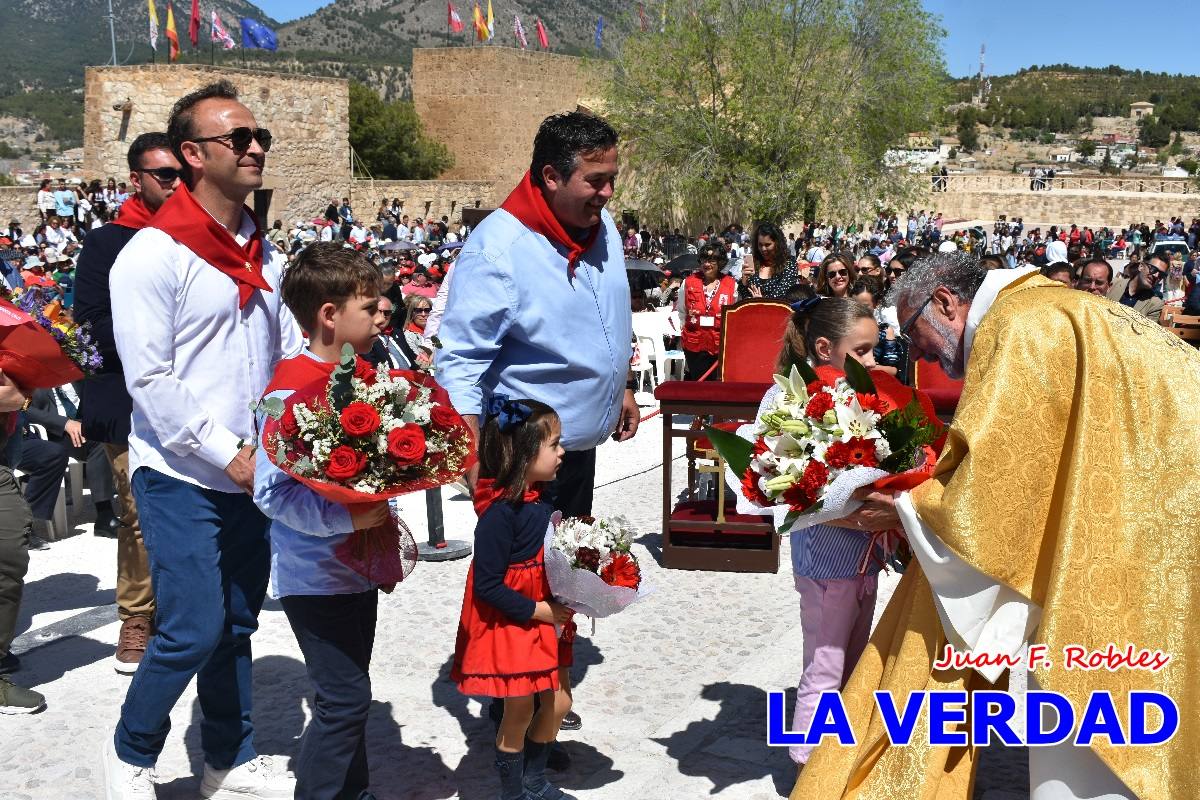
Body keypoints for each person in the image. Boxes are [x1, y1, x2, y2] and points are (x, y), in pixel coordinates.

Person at [793, 251, 1200, 800]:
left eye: (915, 334)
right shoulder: (1047, 309)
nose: (915, 351)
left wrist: (905, 510)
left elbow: (995, 487)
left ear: (945, 303)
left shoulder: (1019, 327)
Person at [103, 81, 301, 799]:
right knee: (191, 626)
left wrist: (286, 437)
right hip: (181, 470)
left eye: (259, 138)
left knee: (239, 621)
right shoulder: (153, 256)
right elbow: (150, 380)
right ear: (191, 155)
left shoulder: (266, 254)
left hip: (253, 468)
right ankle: (129, 754)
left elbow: (284, 358)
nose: (255, 149)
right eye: (237, 139)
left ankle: (229, 756)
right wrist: (228, 450)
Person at [254, 244, 391, 800]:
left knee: (351, 692)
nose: (382, 313)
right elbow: (270, 490)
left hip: (359, 569)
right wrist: (346, 517)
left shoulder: (365, 374)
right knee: (344, 700)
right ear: (329, 315)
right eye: (368, 305)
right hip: (314, 574)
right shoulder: (283, 391)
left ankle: (353, 791)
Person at [765, 296, 888, 775]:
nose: (872, 361)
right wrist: (855, 514)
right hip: (826, 559)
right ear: (823, 347)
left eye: (874, 350)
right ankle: (806, 767)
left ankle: (838, 761)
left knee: (854, 663)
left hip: (863, 558)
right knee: (824, 665)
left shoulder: (860, 396)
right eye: (861, 352)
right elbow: (789, 489)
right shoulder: (789, 401)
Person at [75, 132, 180, 675]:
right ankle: (137, 615)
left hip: (194, 394)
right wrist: (163, 346)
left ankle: (187, 608)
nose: (175, 182)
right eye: (163, 174)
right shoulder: (107, 242)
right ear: (136, 179)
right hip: (129, 396)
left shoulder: (199, 238)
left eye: (181, 172)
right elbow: (92, 322)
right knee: (137, 509)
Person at [451, 398, 576, 800]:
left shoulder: (540, 500)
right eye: (554, 444)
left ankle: (535, 778)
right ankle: (517, 791)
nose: (562, 452)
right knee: (518, 712)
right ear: (523, 454)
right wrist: (541, 610)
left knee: (557, 703)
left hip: (540, 617)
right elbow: (488, 586)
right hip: (512, 622)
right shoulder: (500, 515)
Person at [678, 241, 738, 380]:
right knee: (697, 383)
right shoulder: (688, 282)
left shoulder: (731, 285)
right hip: (694, 344)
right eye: (704, 260)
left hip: (719, 345)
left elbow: (733, 317)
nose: (706, 264)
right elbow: (682, 311)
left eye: (711, 260)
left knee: (716, 387)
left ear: (720, 262)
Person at [740, 222, 798, 299]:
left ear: (777, 244)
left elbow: (784, 292)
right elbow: (744, 295)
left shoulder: (789, 264)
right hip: (753, 310)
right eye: (760, 245)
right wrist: (744, 282)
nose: (763, 249)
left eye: (767, 245)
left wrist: (762, 301)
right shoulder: (753, 263)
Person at [1107, 253, 1166, 320]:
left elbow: (1146, 329)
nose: (1156, 275)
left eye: (1161, 274)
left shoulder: (1155, 304)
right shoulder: (1112, 284)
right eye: (1153, 269)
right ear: (1141, 266)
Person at [402, 293, 435, 372]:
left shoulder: (439, 331)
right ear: (412, 313)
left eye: (427, 310)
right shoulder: (407, 335)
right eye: (418, 310)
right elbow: (419, 363)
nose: (423, 314)